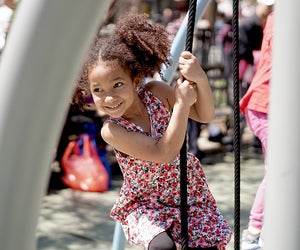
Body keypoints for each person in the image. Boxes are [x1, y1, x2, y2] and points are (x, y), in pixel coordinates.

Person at [76, 14, 231, 250]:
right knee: (162, 247)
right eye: (98, 90)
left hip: (186, 193)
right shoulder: (112, 130)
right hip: (146, 204)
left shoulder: (156, 92)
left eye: (118, 85)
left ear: (135, 78)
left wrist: (199, 78)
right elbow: (164, 153)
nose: (109, 97)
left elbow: (205, 115)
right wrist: (180, 105)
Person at [239, 1, 275, 249]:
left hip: (269, 105)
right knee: (277, 170)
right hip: (264, 105)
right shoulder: (280, 21)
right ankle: (254, 230)